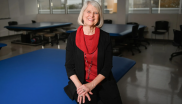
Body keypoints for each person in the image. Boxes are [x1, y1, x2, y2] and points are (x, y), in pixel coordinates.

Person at [64, 0, 122, 104]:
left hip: (102, 80)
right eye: (88, 11)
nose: (92, 15)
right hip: (81, 81)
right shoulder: (72, 37)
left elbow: (107, 66)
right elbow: (69, 66)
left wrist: (91, 85)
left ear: (99, 17)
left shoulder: (105, 37)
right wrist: (80, 87)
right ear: (82, 14)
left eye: (96, 12)